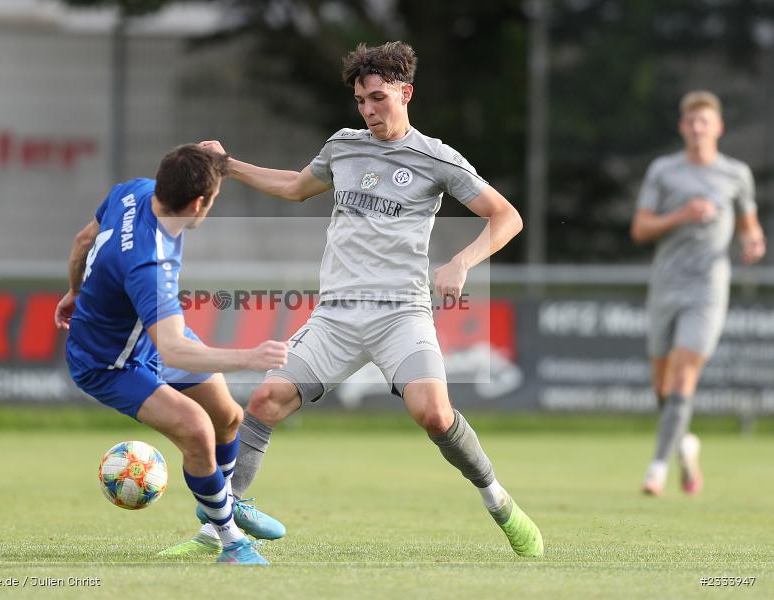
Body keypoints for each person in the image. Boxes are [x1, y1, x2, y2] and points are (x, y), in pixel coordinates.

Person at [187, 41, 543, 557]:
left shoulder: (436, 158)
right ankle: (216, 533)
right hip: (337, 315)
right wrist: (228, 166)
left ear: (406, 93)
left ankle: (499, 502)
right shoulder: (343, 146)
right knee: (265, 400)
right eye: (360, 100)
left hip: (401, 313)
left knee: (434, 413)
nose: (368, 110)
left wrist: (462, 262)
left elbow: (506, 216)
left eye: (378, 98)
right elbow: (294, 187)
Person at [54, 144, 290, 564]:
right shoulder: (151, 265)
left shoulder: (135, 190)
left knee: (228, 416)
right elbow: (175, 348)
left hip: (140, 337)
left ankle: (220, 501)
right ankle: (231, 541)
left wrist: (75, 291)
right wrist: (250, 358)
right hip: (109, 363)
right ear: (200, 203)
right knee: (197, 429)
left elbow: (82, 241)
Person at [631, 90, 765, 496]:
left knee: (684, 371)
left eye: (704, 121)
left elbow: (749, 226)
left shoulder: (736, 174)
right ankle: (685, 447)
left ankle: (657, 469)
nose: (697, 128)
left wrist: (753, 242)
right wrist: (681, 215)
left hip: (708, 286)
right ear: (681, 127)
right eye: (690, 121)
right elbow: (640, 230)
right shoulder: (664, 171)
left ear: (718, 127)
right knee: (662, 384)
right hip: (667, 283)